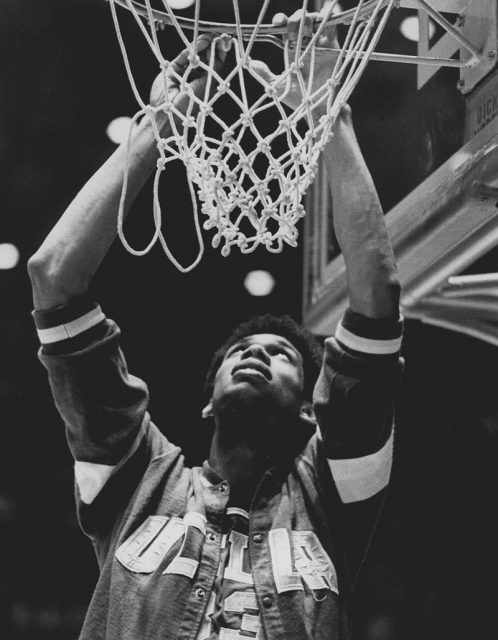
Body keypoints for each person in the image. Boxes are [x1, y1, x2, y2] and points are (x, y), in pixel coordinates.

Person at [28, 9, 402, 640]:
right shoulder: (137, 478)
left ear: (312, 411)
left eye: (282, 355)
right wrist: (157, 130)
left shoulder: (330, 500)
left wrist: (330, 112)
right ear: (207, 404)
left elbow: (378, 296)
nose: (256, 355)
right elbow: (53, 275)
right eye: (242, 351)